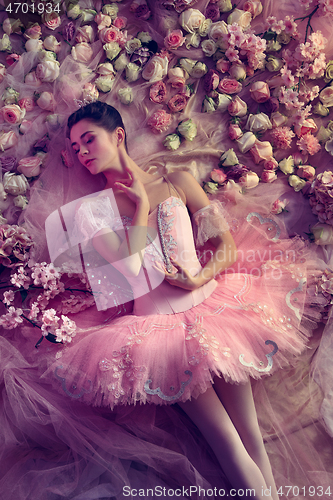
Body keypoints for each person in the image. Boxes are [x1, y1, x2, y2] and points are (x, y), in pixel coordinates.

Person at [38, 99, 324, 500]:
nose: (82, 151)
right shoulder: (92, 215)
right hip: (159, 335)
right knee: (225, 441)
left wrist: (200, 278)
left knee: (251, 435)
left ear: (118, 136)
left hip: (215, 311)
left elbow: (224, 246)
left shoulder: (179, 180)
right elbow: (132, 271)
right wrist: (139, 206)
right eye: (76, 146)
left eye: (89, 139)